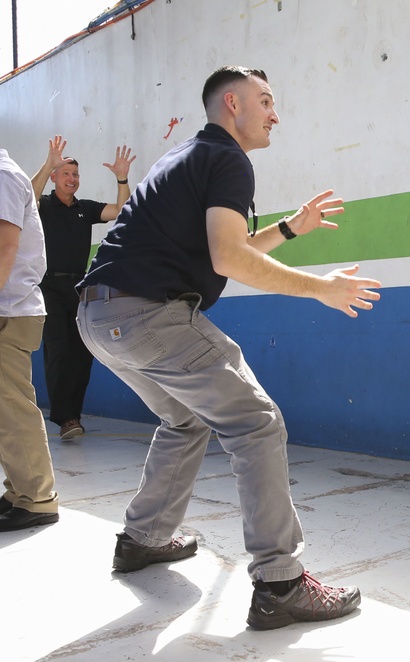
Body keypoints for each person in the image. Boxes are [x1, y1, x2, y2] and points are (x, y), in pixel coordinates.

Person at [76, 66, 381, 630]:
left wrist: (291, 229)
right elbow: (229, 260)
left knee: (185, 420)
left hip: (99, 317)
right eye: (266, 100)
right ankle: (281, 583)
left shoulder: (187, 155)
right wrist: (322, 289)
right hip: (147, 314)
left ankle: (143, 539)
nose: (275, 113)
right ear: (232, 104)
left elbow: (226, 247)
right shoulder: (229, 159)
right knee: (256, 422)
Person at [31, 135, 136, 440]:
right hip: (48, 286)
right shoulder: (44, 205)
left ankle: (72, 417)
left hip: (79, 287)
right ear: (54, 178)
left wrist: (121, 178)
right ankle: (64, 418)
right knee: (59, 350)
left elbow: (122, 210)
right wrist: (48, 162)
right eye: (65, 173)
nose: (72, 179)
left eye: (75, 174)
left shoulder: (85, 208)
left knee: (82, 353)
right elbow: (29, 196)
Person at [0, 148, 60, 531]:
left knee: (12, 407)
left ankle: (37, 498)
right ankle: (21, 491)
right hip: (10, 306)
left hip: (10, 309)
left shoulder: (3, 176)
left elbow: (5, 246)